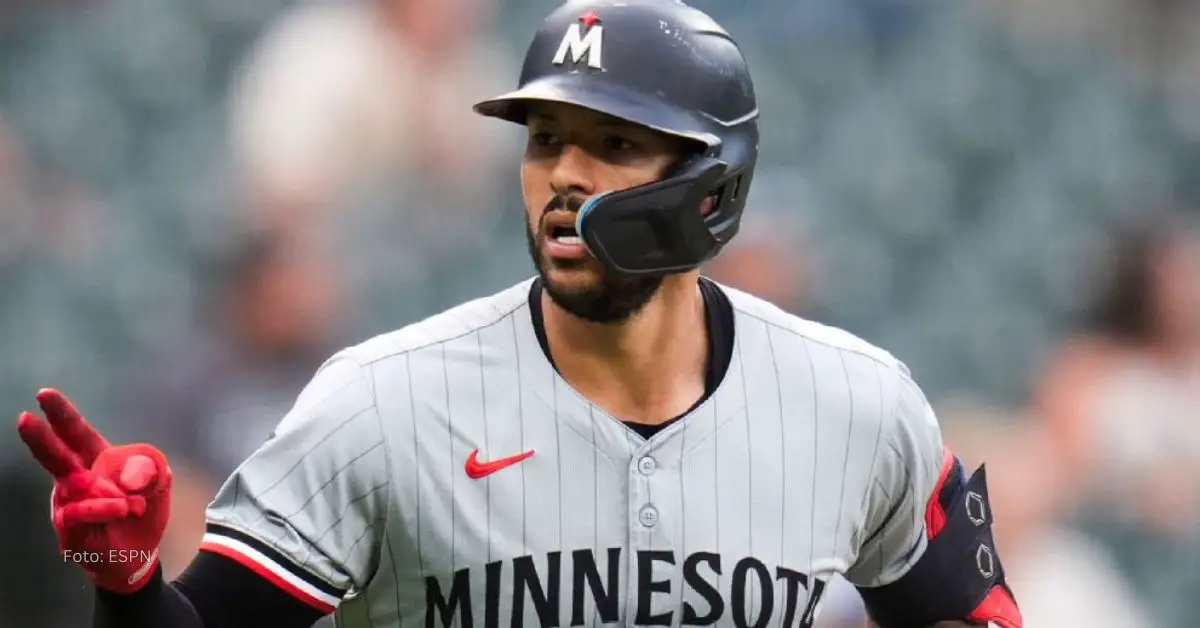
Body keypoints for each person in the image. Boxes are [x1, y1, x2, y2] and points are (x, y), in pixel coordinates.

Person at [13, 2, 1022, 627]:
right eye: (545, 137)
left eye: (613, 143)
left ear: (713, 187)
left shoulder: (856, 403)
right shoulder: (383, 404)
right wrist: (129, 583)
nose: (564, 175)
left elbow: (970, 611)